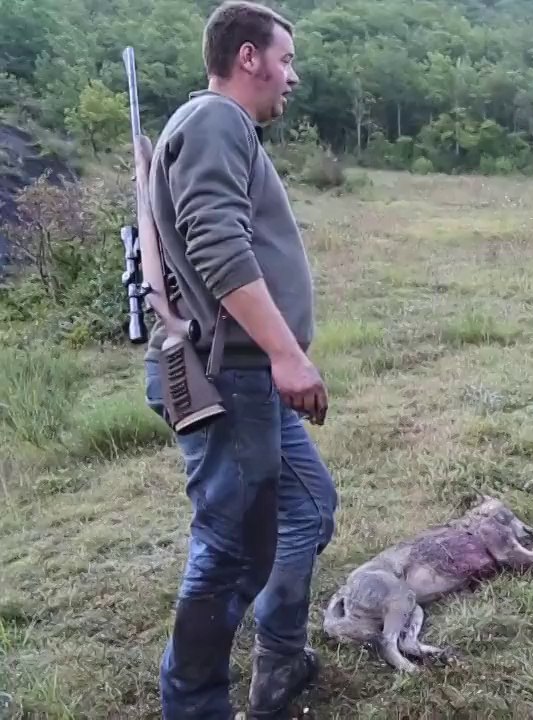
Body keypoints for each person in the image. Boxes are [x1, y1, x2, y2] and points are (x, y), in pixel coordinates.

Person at [142, 2, 338, 717]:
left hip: (249, 374)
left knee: (307, 508)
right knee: (229, 552)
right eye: (286, 59)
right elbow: (217, 244)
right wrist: (287, 354)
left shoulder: (220, 127)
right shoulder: (216, 119)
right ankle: (194, 704)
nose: (293, 76)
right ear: (248, 57)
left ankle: (278, 662)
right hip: (234, 377)